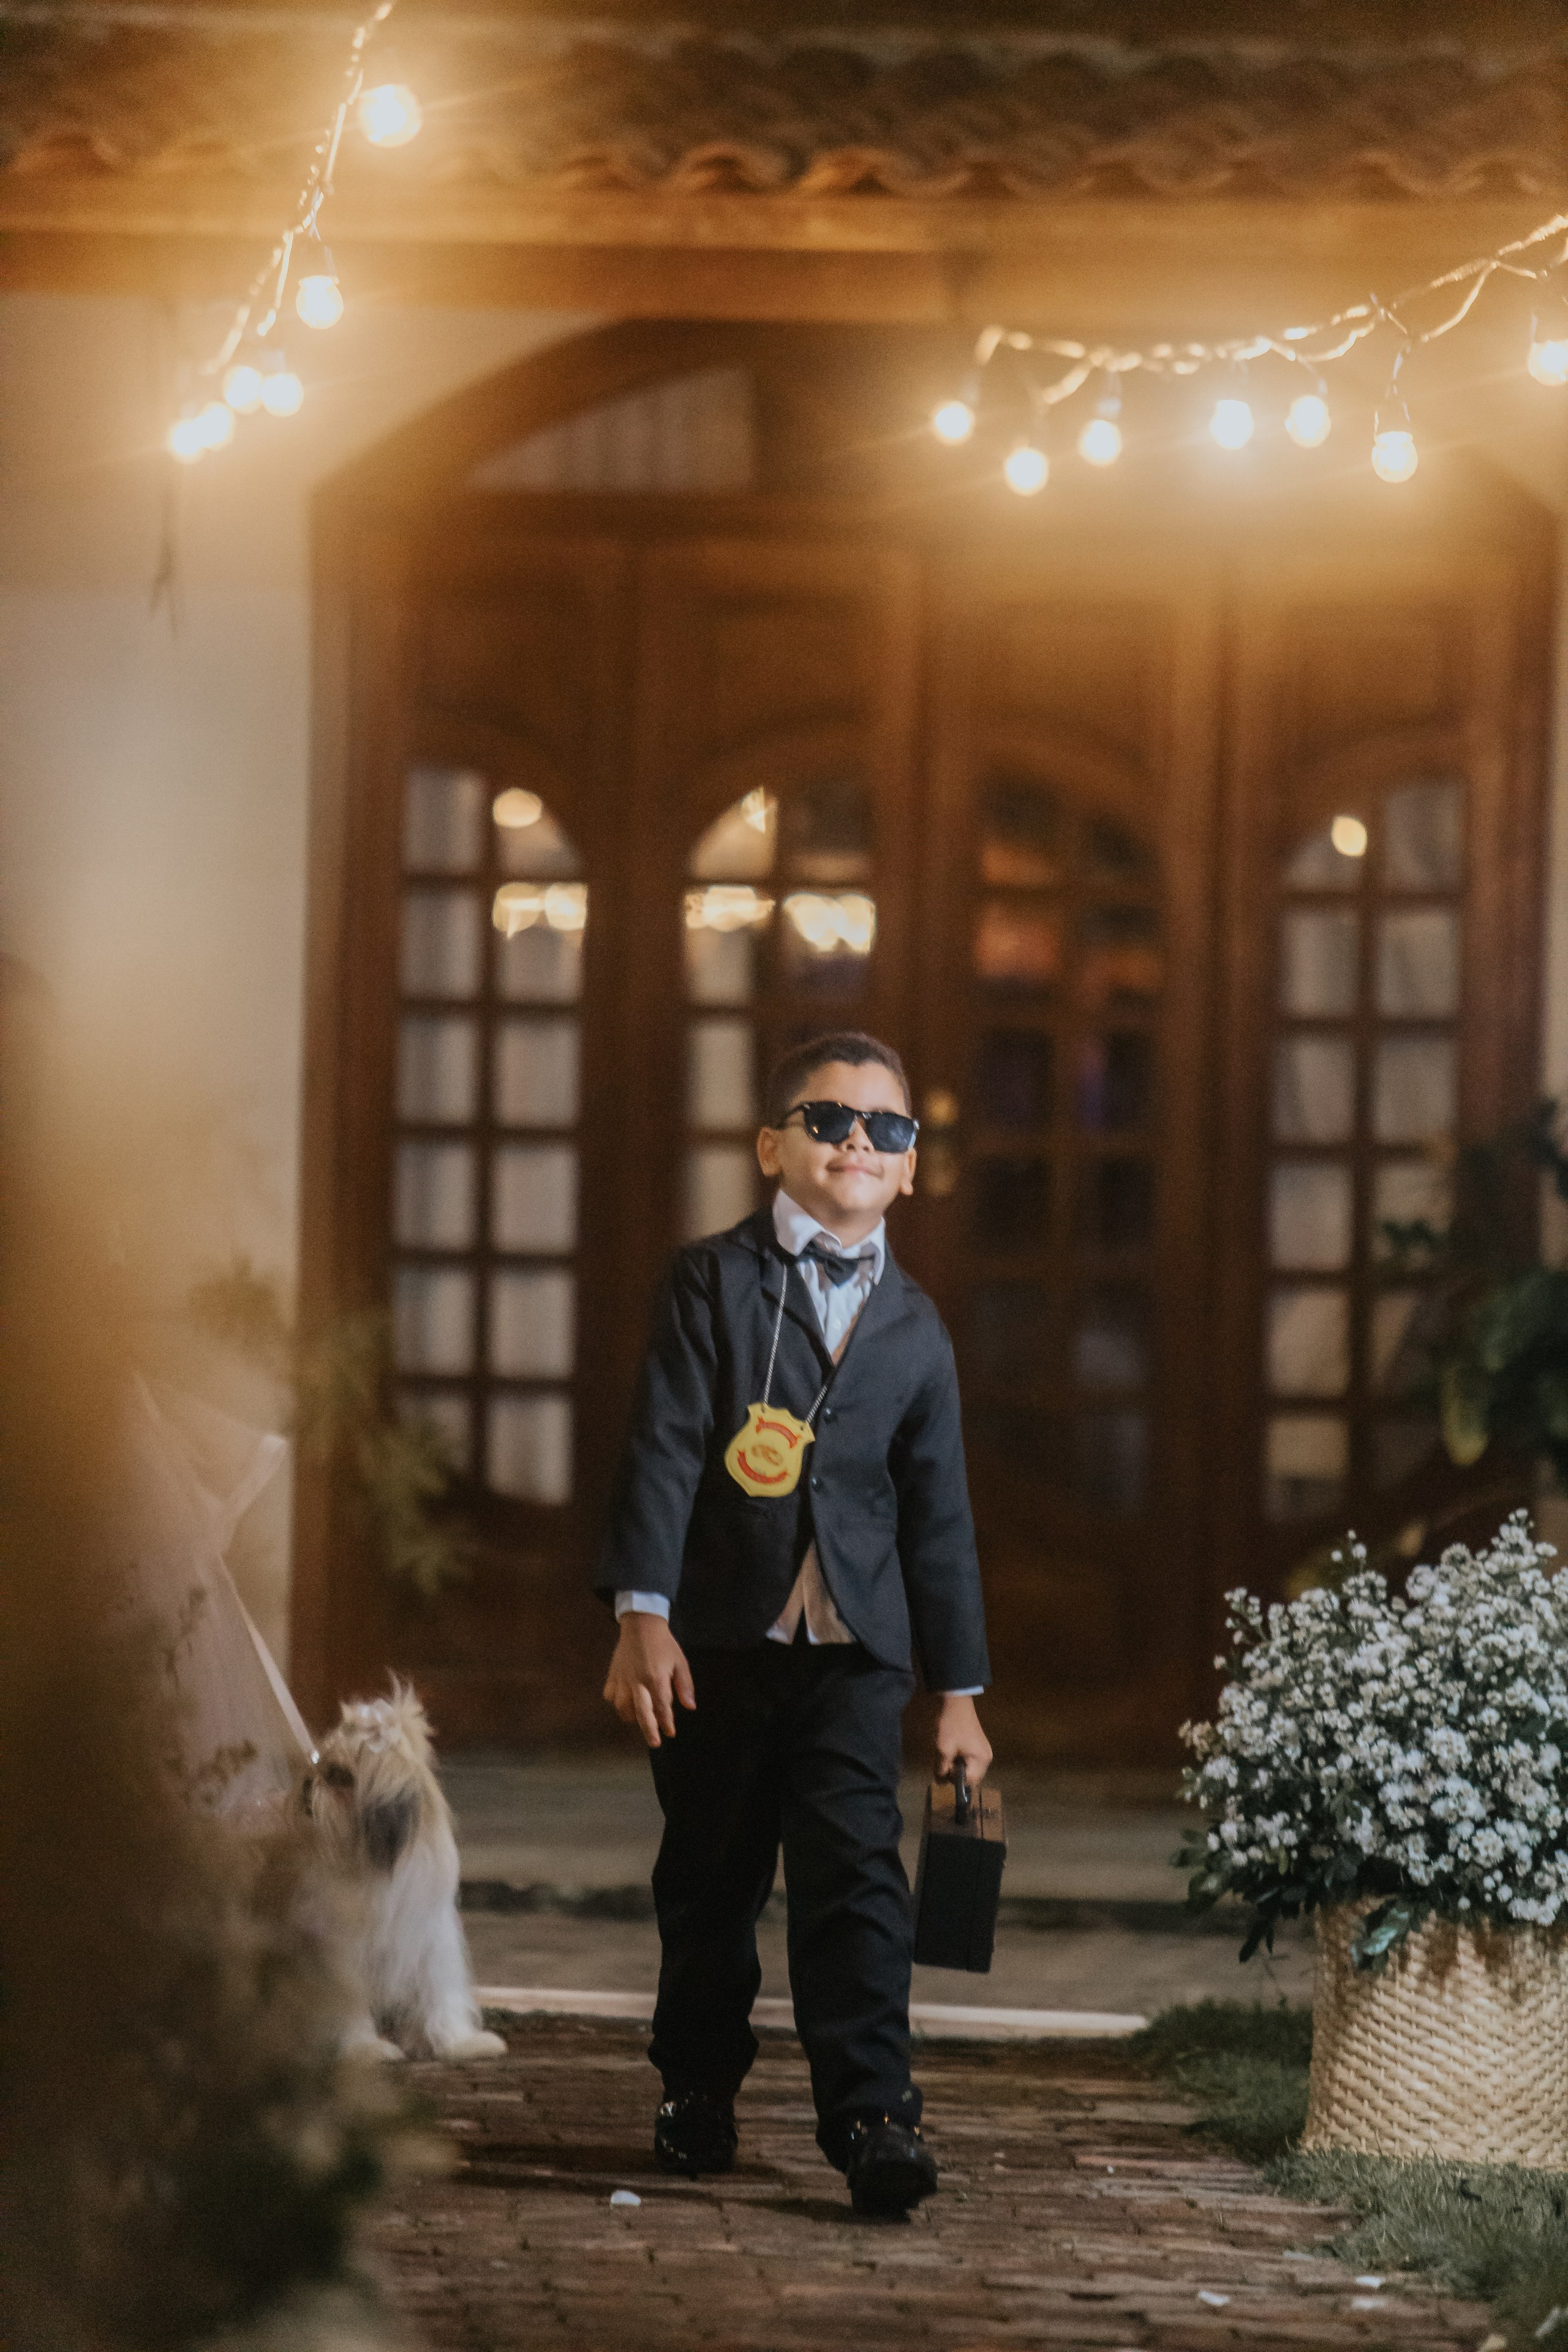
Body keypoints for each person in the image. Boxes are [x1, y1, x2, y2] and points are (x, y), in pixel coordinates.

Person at [595, 1030, 992, 2217]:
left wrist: (959, 1691)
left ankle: (873, 2115)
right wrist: (640, 1616)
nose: (856, 1143)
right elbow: (662, 1451)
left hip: (854, 1653)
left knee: (856, 1879)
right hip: (716, 1640)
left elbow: (938, 1520)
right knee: (710, 1878)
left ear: (912, 1166)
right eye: (827, 1121)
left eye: (885, 1128)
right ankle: (696, 2084)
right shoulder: (710, 1284)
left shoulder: (916, 1329)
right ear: (772, 1146)